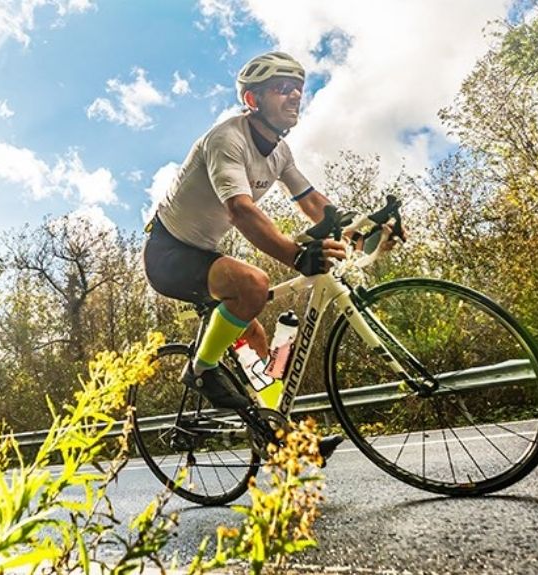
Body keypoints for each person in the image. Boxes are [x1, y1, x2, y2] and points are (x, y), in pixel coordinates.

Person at [143, 51, 374, 458]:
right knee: (252, 283)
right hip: (169, 253)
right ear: (252, 101)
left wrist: (368, 226)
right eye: (282, 89)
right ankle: (200, 370)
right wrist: (294, 254)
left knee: (257, 342)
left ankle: (280, 438)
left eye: (298, 89)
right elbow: (242, 210)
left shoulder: (281, 152)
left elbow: (313, 200)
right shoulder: (226, 139)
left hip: (205, 253)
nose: (295, 96)